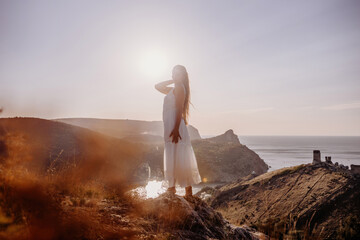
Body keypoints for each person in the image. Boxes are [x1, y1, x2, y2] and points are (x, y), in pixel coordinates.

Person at [154, 65, 202, 197]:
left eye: (178, 74)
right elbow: (157, 86)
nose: (174, 75)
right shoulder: (174, 89)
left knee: (180, 155)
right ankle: (172, 186)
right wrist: (172, 80)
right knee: (173, 154)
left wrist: (175, 129)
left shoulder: (180, 88)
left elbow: (179, 109)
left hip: (176, 126)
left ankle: (187, 190)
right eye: (173, 73)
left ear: (183, 76)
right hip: (169, 125)